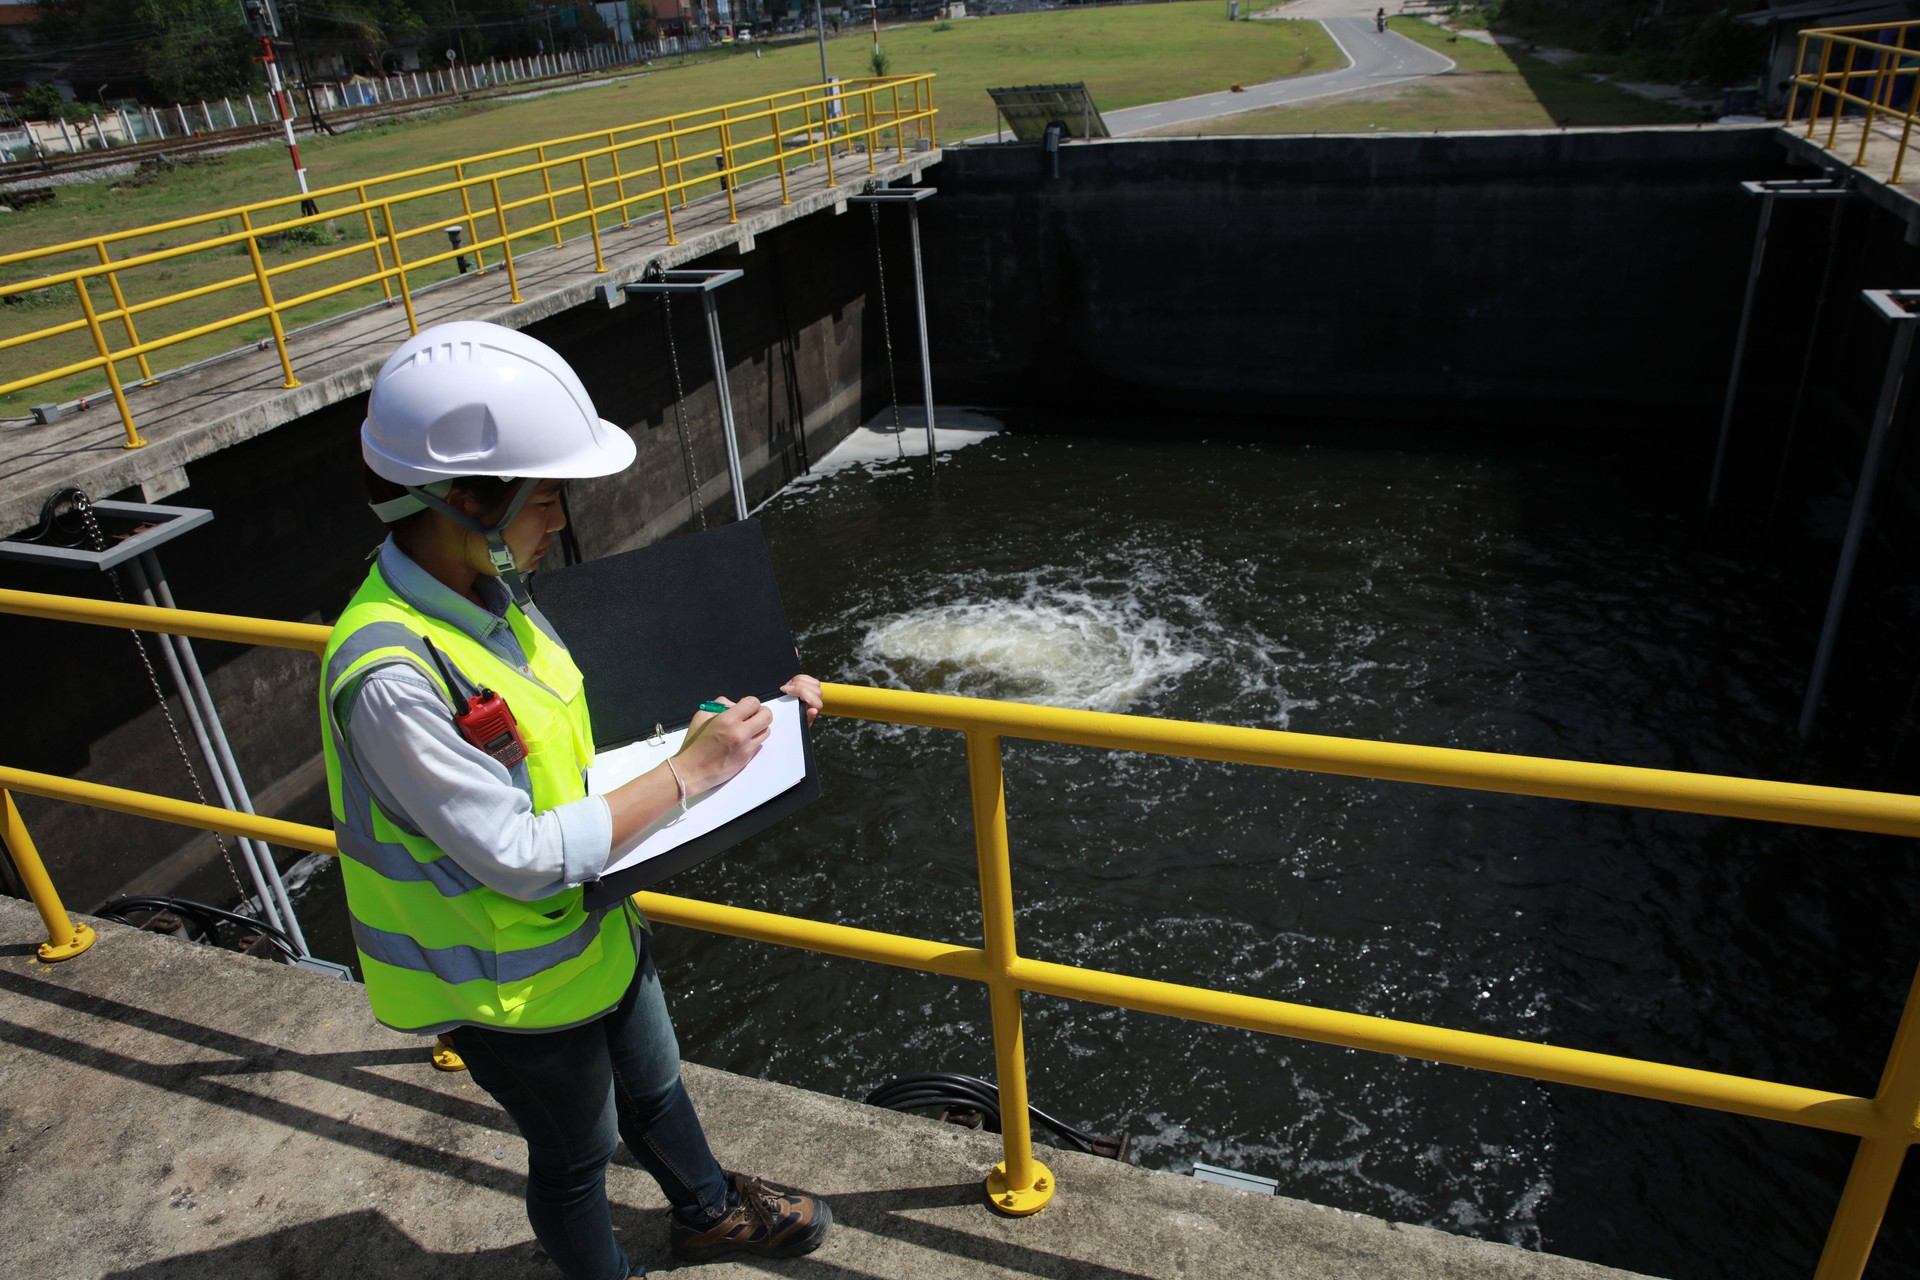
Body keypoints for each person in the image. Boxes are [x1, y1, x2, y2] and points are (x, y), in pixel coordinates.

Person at [319, 320, 830, 1278]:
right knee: (574, 1157)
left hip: (591, 929)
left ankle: (708, 1213)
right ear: (467, 499)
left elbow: (572, 757)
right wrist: (691, 773)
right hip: (507, 985)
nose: (559, 517)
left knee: (659, 1086)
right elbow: (517, 852)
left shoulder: (492, 599)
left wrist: (750, 725)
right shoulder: (389, 672)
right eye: (546, 496)